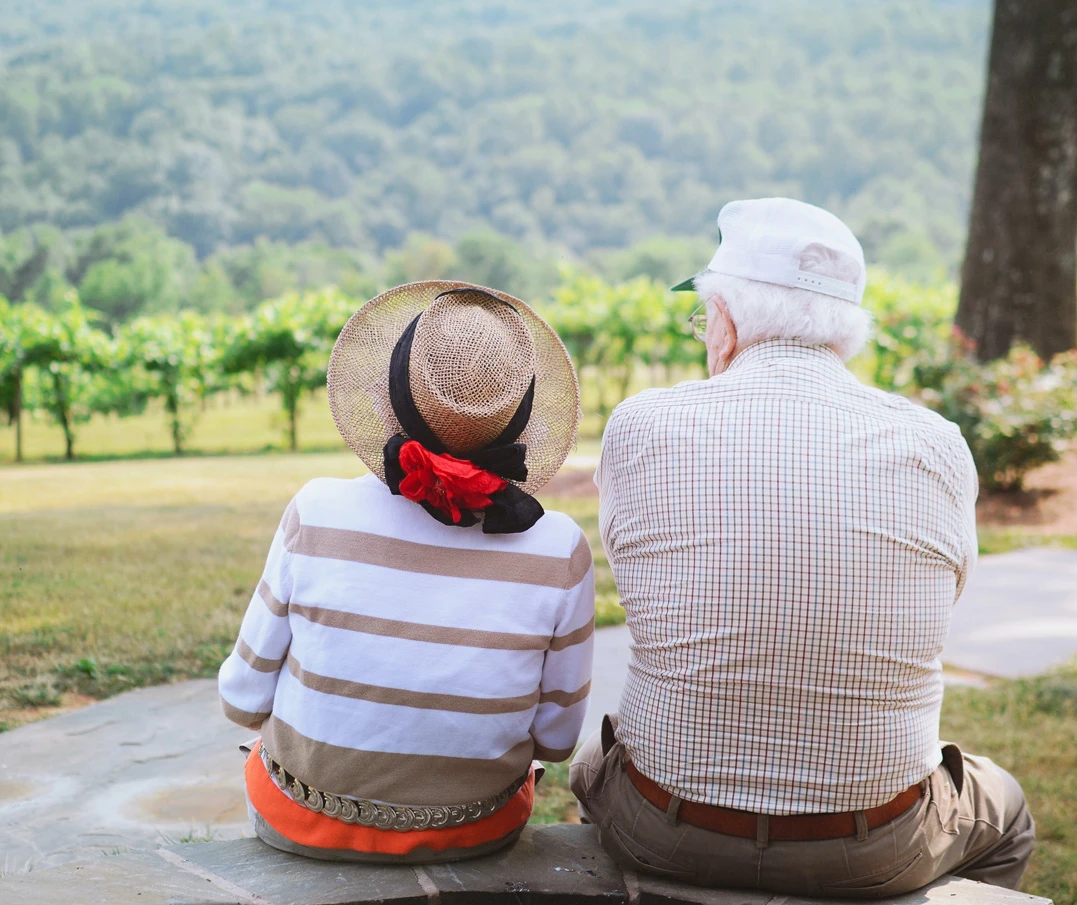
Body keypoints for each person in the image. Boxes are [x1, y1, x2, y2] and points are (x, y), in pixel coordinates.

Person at [571, 199, 1035, 897]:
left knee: (591, 764)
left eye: (703, 316)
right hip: (877, 843)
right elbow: (947, 593)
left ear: (725, 318)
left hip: (663, 827)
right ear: (845, 330)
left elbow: (638, 575)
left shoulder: (642, 424)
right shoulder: (937, 443)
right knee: (1008, 810)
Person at [219, 282, 595, 863]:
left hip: (301, 818)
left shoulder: (316, 511)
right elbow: (558, 741)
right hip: (476, 829)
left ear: (390, 395)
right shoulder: (558, 547)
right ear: (518, 417)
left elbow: (242, 698)